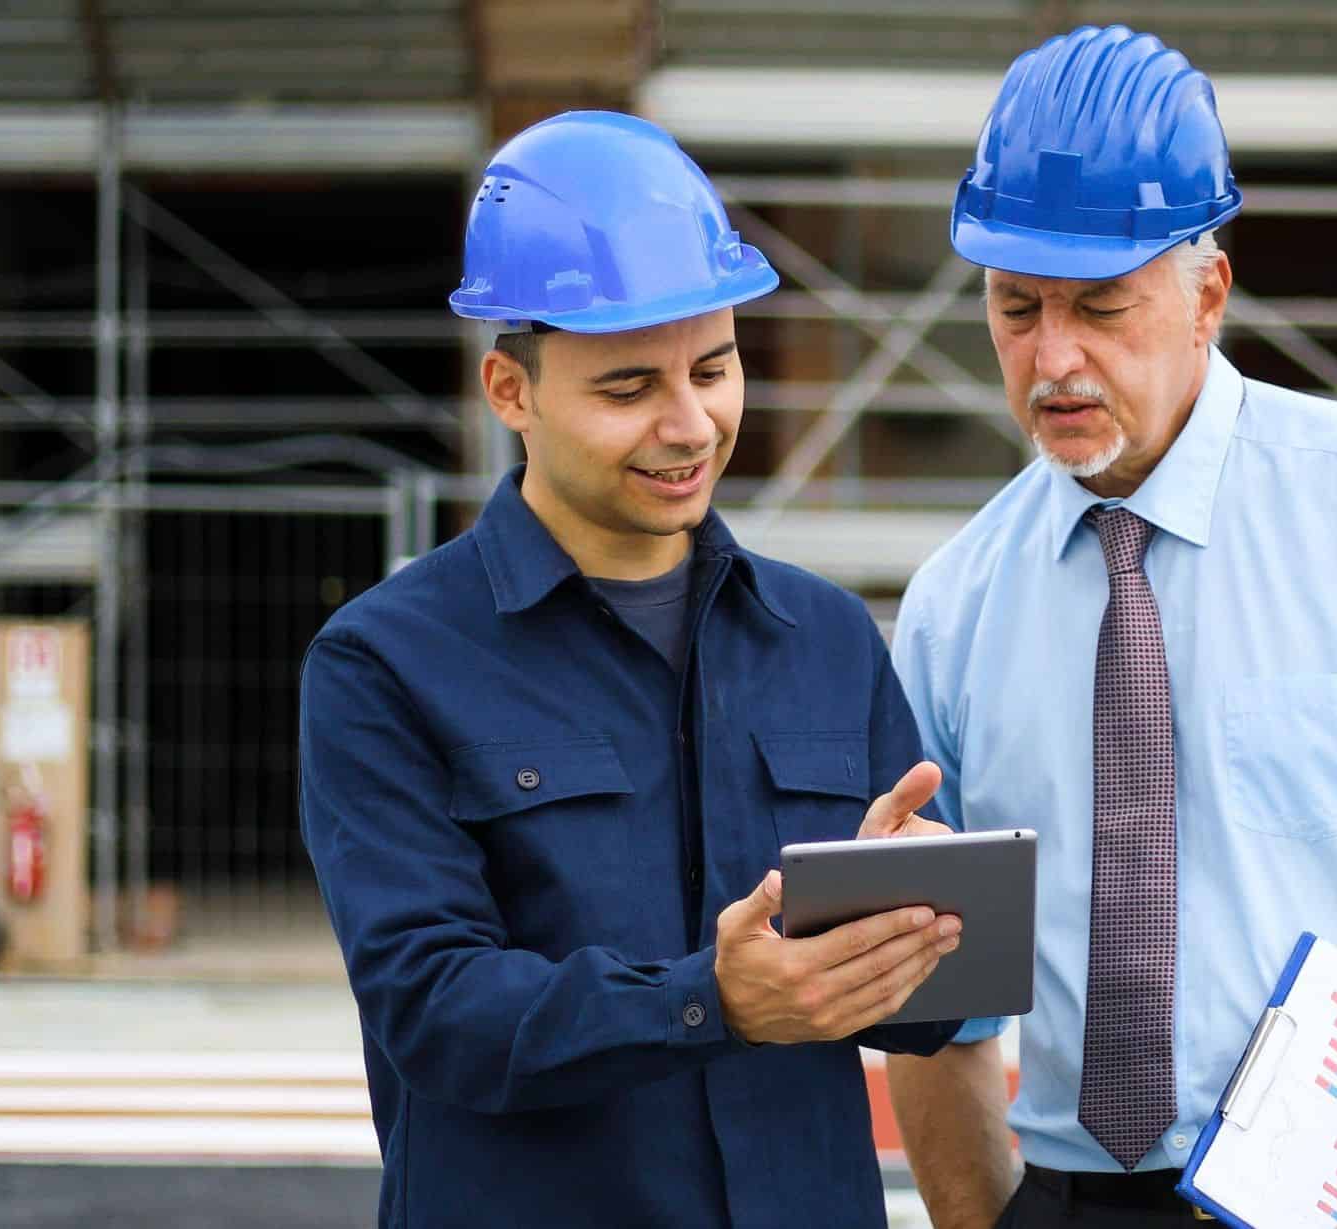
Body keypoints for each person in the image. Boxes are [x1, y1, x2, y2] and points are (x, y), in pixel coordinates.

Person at [885, 26, 1337, 1229]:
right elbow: (942, 991)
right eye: (1015, 309)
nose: (1051, 359)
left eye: (1100, 309)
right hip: (1074, 1194)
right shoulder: (954, 602)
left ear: (1204, 297)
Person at [299, 110, 963, 1229]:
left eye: (713, 367)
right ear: (510, 391)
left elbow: (921, 1018)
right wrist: (709, 999)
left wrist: (927, 933)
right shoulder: (384, 663)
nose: (689, 422)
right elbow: (433, 1006)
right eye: (626, 388)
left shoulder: (825, 637)